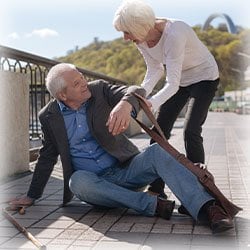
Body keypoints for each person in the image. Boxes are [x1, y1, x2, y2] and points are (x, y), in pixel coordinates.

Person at [10, 63, 233, 234]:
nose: (84, 83)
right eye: (77, 83)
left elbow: (136, 90)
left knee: (157, 151)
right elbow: (47, 155)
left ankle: (208, 209)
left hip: (127, 170)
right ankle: (153, 205)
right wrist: (32, 195)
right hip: (96, 186)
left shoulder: (99, 90)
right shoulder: (49, 116)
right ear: (62, 95)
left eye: (82, 77)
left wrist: (125, 104)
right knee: (76, 181)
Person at [113, 0, 220, 199]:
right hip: (180, 80)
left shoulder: (175, 33)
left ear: (140, 26)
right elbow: (154, 70)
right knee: (158, 133)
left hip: (204, 77)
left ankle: (202, 191)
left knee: (191, 131)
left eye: (127, 32)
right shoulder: (142, 39)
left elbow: (171, 82)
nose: (125, 38)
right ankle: (156, 188)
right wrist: (141, 94)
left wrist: (152, 102)